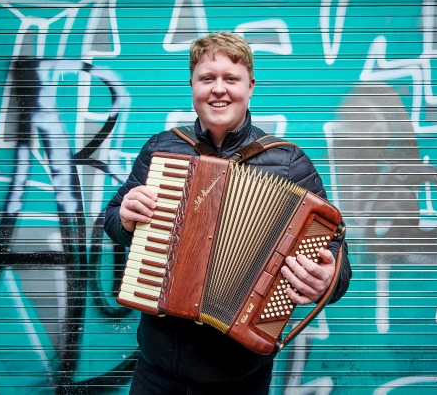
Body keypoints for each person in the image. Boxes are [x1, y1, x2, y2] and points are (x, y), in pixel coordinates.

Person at [104, 32, 351, 395]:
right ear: (192, 85)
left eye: (230, 79)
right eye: (207, 79)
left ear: (250, 86)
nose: (219, 89)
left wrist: (327, 280)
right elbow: (111, 219)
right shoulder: (162, 149)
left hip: (240, 378)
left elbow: (338, 257)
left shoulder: (289, 163)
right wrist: (124, 219)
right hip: (157, 372)